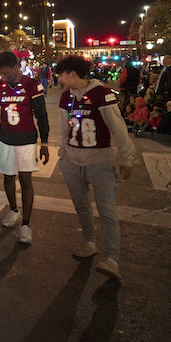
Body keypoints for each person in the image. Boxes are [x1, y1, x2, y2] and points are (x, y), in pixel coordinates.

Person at [55, 55, 135, 280]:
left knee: (106, 209)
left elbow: (118, 127)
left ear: (72, 74)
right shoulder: (66, 96)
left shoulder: (102, 94)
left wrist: (126, 157)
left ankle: (112, 259)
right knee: (81, 205)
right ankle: (89, 242)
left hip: (99, 160)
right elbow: (62, 128)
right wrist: (62, 153)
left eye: (62, 75)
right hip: (72, 160)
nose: (59, 79)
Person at [0, 51, 50, 244]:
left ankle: (26, 224)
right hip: (5, 138)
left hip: (26, 139)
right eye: (0, 73)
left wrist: (45, 142)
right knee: (8, 177)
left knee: (25, 180)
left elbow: (41, 115)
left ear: (16, 67)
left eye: (6, 72)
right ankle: (14, 210)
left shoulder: (32, 85)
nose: (3, 76)